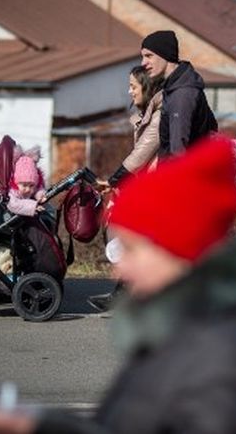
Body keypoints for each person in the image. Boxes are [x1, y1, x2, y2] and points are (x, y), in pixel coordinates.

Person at [0, 137, 236, 434]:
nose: (119, 269)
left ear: (175, 251)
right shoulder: (174, 332)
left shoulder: (222, 370)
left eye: (130, 249)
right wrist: (40, 425)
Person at [88, 65, 163, 312]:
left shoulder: (158, 114)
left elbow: (142, 154)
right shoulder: (147, 114)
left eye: (133, 86)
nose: (129, 91)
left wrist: (115, 180)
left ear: (147, 87)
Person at [140, 30, 217, 158]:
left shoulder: (182, 94)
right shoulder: (175, 88)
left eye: (149, 56)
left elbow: (178, 151)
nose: (143, 63)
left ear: (165, 55)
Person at [7, 146, 46, 217]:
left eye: (31, 185)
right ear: (16, 182)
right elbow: (13, 204)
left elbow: (39, 189)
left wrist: (40, 196)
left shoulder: (34, 187)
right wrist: (34, 206)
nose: (28, 189)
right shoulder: (13, 192)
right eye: (24, 185)